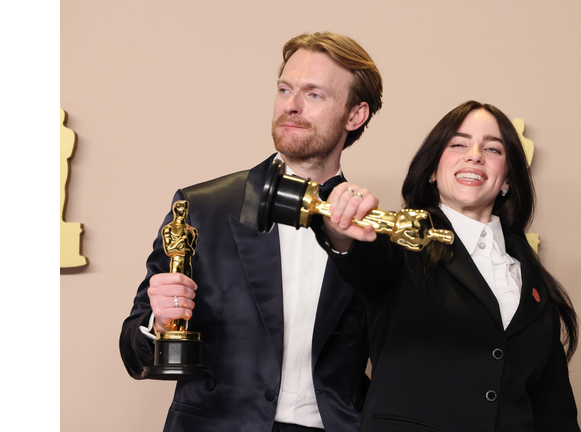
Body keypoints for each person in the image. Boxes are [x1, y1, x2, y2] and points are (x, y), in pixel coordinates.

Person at [119, 32, 383, 432]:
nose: (290, 106)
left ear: (355, 115)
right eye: (284, 89)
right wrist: (157, 324)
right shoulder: (199, 207)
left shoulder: (373, 233)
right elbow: (132, 350)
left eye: (314, 95)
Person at [317, 101, 580, 431]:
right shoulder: (399, 243)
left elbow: (555, 412)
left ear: (507, 180)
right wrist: (340, 231)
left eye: (493, 149)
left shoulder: (534, 283)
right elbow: (363, 263)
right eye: (458, 144)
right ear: (431, 170)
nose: (474, 154)